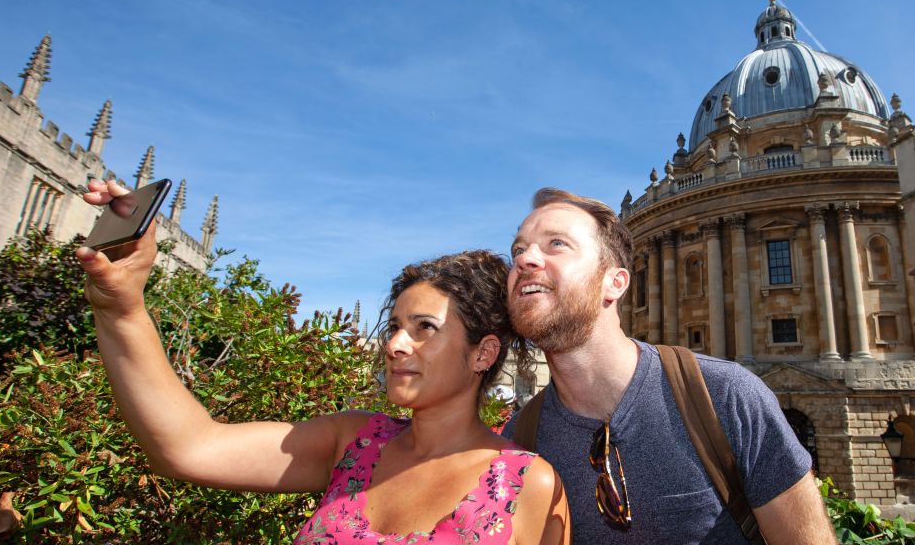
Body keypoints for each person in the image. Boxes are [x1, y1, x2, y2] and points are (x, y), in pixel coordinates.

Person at [77, 179, 570, 544]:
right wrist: (120, 308)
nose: (396, 344)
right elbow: (187, 448)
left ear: (483, 352)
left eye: (425, 329)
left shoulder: (527, 484)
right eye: (395, 326)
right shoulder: (351, 442)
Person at [503, 188, 837, 544]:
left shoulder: (726, 398)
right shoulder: (517, 441)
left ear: (614, 283)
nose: (526, 259)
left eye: (556, 244)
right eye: (518, 250)